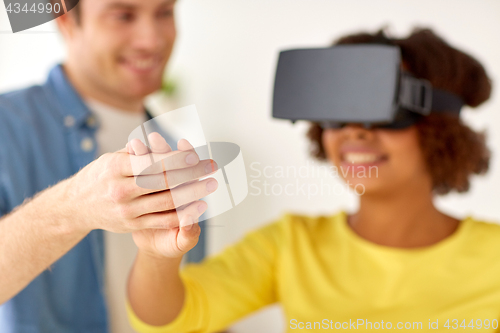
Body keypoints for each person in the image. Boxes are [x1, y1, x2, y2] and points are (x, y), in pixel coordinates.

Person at [126, 28, 500, 333]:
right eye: (337, 111)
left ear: (440, 127)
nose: (355, 131)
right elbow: (174, 320)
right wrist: (156, 256)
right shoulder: (290, 245)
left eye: (383, 110)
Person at [0, 0, 217, 332]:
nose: (151, 40)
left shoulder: (179, 152)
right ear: (65, 20)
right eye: (123, 16)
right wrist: (73, 207)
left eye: (164, 13)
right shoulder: (7, 126)